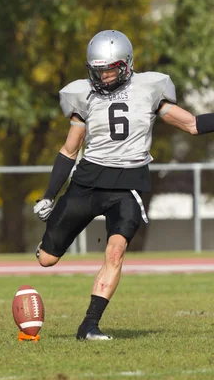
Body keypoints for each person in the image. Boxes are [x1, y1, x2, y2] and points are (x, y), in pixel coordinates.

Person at [33, 29, 214, 341]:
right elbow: (69, 150)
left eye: (110, 69)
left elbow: (193, 125)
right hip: (88, 181)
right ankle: (50, 245)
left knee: (115, 251)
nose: (103, 77)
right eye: (98, 70)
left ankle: (89, 325)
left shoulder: (148, 88)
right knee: (47, 259)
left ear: (127, 64)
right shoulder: (83, 96)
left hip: (129, 183)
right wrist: (50, 194)